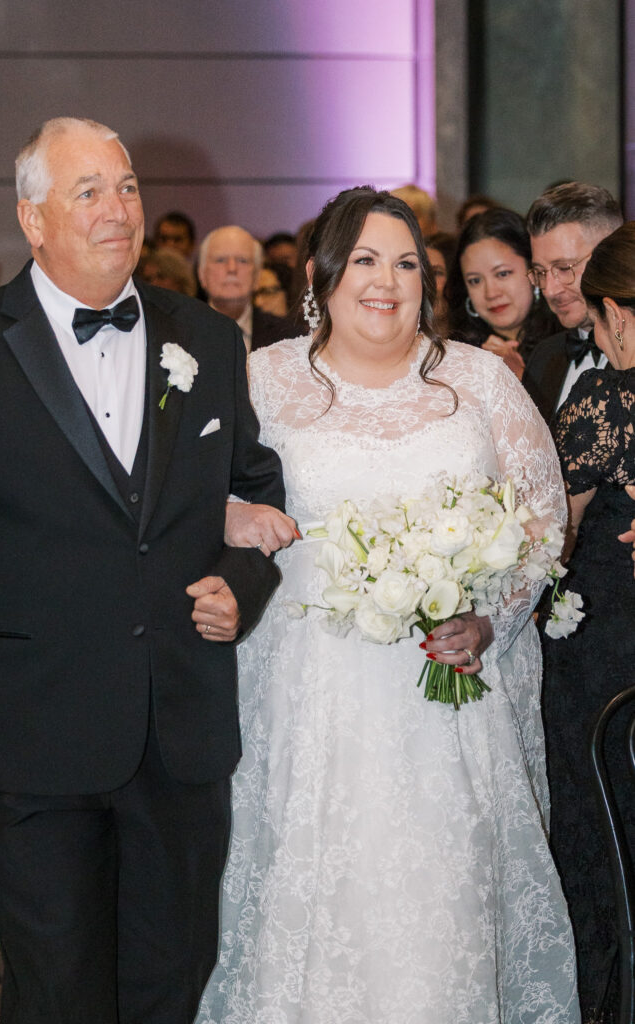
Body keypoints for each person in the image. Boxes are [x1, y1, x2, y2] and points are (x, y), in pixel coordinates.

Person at [0, 116, 287, 1024]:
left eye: (126, 188)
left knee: (171, 980)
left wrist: (243, 581)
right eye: (89, 193)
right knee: (60, 989)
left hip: (177, 730)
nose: (119, 210)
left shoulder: (206, 338)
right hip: (21, 738)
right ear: (33, 220)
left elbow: (254, 494)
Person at [197, 187, 579, 1024]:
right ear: (320, 276)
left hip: (442, 710)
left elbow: (543, 520)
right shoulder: (261, 380)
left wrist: (490, 621)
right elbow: (188, 500)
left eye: (408, 263)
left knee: (442, 920)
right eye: (366, 260)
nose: (388, 281)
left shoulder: (477, 380)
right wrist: (237, 518)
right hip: (304, 698)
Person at [540, 221, 635, 1021]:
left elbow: (548, 540)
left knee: (602, 847)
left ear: (619, 317)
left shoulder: (604, 401)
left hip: (605, 668)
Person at [523, 182, 623, 425]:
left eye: (564, 268)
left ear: (610, 256)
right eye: (540, 272)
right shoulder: (543, 357)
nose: (549, 289)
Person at [446, 208, 559, 379]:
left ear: (533, 271)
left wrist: (519, 376)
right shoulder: (453, 355)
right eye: (475, 281)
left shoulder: (569, 343)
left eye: (503, 274)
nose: (491, 293)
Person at [198, 225, 292, 351]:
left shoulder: (289, 337)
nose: (232, 268)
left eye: (242, 261)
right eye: (220, 260)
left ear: (257, 275)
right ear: (202, 274)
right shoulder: (179, 333)